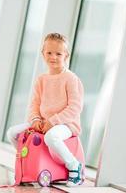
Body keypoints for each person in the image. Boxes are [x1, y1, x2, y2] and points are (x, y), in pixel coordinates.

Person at [6, 32, 84, 187]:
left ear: (66, 55)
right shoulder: (41, 79)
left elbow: (75, 107)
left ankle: (74, 165)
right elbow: (34, 104)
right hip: (42, 122)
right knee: (13, 133)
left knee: (51, 137)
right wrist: (35, 120)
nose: (53, 57)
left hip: (66, 124)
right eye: (49, 53)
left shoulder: (71, 79)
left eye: (58, 53)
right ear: (43, 54)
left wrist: (53, 121)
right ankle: (26, 163)